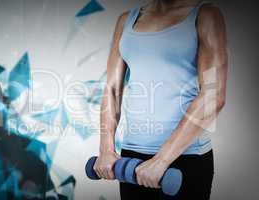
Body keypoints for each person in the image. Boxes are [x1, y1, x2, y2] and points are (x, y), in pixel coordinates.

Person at [93, 0, 228, 199]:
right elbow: (112, 89)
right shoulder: (126, 20)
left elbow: (213, 95)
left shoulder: (205, 15)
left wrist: (162, 160)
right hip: (132, 157)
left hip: (185, 157)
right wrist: (106, 149)